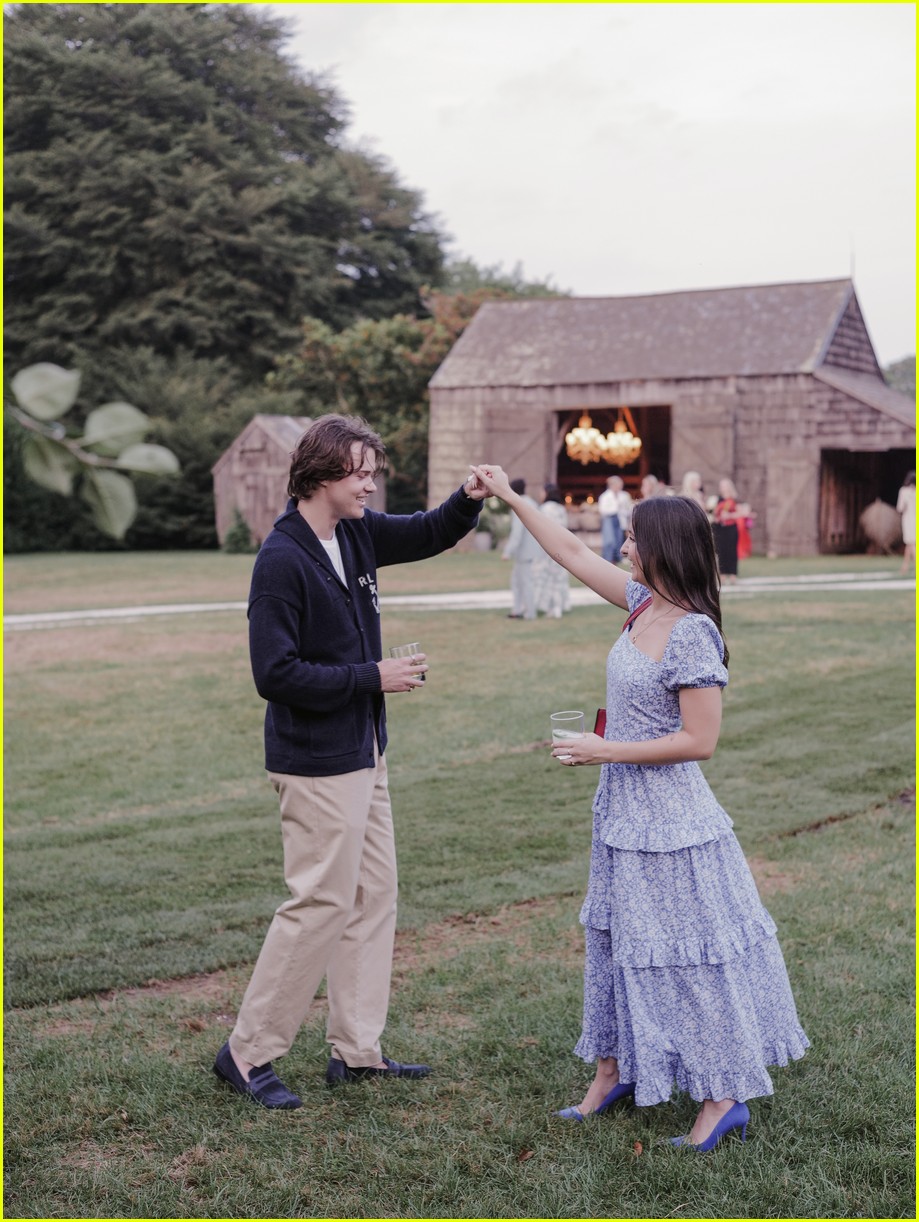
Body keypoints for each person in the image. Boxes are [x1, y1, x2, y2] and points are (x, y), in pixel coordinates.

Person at [469, 463, 809, 1151]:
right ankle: (614, 1071)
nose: (622, 545)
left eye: (633, 538)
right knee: (616, 943)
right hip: (622, 814)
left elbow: (700, 741)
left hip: (671, 825)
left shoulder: (691, 632)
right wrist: (507, 496)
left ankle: (722, 1099)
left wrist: (606, 750)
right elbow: (568, 552)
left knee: (685, 957)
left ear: (664, 548)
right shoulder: (639, 603)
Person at [213, 414, 486, 1109]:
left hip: (365, 754)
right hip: (315, 765)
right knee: (320, 904)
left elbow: (428, 531)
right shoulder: (281, 560)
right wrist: (373, 676)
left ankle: (357, 1051)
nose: (370, 485)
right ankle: (247, 1053)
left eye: (372, 473)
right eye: (360, 473)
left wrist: (468, 497)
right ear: (321, 475)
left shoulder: (356, 532)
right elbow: (274, 674)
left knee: (372, 898)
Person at [502, 477, 541, 619]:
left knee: (524, 583)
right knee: (519, 581)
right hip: (534, 549)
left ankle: (529, 613)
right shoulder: (532, 503)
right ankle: (518, 610)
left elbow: (517, 532)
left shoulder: (518, 504)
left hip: (524, 551)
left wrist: (508, 551)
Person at [534, 484, 572, 618]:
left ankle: (548, 606)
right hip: (561, 547)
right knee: (559, 578)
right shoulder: (561, 509)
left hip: (548, 547)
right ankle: (559, 606)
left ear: (547, 493)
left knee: (546, 577)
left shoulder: (544, 509)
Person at [712, 478, 742, 583]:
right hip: (719, 528)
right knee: (721, 551)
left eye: (725, 485)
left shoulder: (734, 499)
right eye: (721, 486)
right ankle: (722, 574)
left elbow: (740, 513)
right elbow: (713, 512)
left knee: (731, 551)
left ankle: (733, 574)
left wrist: (729, 515)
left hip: (731, 528)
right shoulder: (717, 499)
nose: (723, 488)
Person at [598, 475, 627, 564]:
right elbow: (603, 510)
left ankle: (617, 558)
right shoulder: (605, 496)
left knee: (619, 540)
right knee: (609, 540)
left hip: (619, 519)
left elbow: (626, 509)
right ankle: (608, 558)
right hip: (609, 519)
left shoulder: (623, 495)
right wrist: (616, 508)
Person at [896, 471, 916, 575]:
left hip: (908, 519)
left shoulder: (904, 491)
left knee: (911, 543)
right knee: (910, 544)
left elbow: (900, 507)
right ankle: (905, 567)